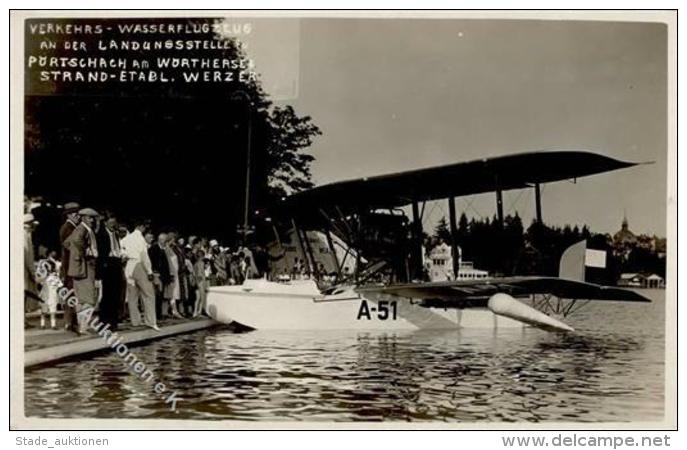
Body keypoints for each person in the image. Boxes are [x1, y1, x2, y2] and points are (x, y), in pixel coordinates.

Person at [64, 208, 100, 334]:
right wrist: (83, 254)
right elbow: (75, 241)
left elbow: (67, 243)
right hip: (85, 267)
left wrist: (75, 256)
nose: (93, 220)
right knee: (89, 299)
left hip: (81, 267)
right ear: (84, 217)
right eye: (90, 218)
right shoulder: (82, 229)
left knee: (82, 299)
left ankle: (82, 326)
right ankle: (83, 327)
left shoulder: (82, 229)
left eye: (93, 218)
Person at [120, 221, 159, 331]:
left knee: (133, 296)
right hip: (139, 264)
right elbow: (144, 256)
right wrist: (150, 272)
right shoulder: (140, 238)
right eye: (144, 227)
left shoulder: (125, 239)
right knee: (149, 294)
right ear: (140, 226)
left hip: (129, 267)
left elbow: (120, 251)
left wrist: (125, 256)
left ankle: (135, 322)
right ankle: (151, 321)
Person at [95, 214, 125, 332]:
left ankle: (113, 320)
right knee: (108, 294)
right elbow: (101, 253)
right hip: (108, 265)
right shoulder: (101, 235)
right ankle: (104, 321)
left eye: (114, 223)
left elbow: (117, 248)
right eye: (111, 223)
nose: (113, 225)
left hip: (116, 263)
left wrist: (120, 256)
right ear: (105, 223)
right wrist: (101, 269)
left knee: (116, 293)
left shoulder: (115, 234)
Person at [58, 202, 80, 333]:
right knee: (70, 292)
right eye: (75, 213)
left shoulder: (71, 227)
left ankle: (72, 321)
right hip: (69, 265)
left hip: (70, 264)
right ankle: (70, 322)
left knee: (72, 292)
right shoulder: (67, 228)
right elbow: (70, 247)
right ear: (69, 215)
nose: (78, 216)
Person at [148, 232, 172, 321]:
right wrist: (154, 272)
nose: (166, 242)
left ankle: (159, 314)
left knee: (161, 295)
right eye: (165, 240)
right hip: (157, 275)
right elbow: (151, 261)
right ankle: (156, 315)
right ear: (161, 240)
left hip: (163, 276)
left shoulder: (163, 249)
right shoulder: (153, 249)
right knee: (157, 295)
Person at [37, 253, 59, 329]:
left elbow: (39, 282)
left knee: (43, 310)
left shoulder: (44, 279)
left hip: (45, 296)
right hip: (52, 296)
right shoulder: (54, 277)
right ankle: (53, 325)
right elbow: (59, 286)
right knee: (53, 310)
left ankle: (42, 324)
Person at [164, 233, 183, 318]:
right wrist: (171, 273)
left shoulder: (171, 249)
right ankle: (174, 311)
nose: (174, 242)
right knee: (172, 293)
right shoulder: (167, 249)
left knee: (174, 292)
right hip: (172, 272)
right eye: (173, 240)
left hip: (175, 272)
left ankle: (173, 310)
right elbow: (169, 262)